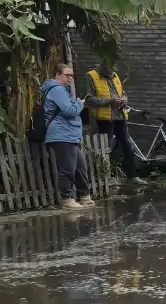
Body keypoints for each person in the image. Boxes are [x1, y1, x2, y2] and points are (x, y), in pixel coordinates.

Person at [41, 63, 92, 210]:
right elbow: (69, 111)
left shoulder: (62, 90)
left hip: (69, 135)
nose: (70, 78)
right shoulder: (57, 89)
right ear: (57, 75)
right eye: (67, 75)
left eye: (71, 75)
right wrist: (79, 104)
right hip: (61, 135)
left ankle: (84, 197)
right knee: (68, 169)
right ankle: (67, 199)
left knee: (80, 166)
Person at [85, 61, 145, 185]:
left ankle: (132, 176)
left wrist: (124, 99)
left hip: (120, 116)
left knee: (128, 147)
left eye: (113, 71)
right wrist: (109, 101)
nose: (112, 74)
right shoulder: (91, 76)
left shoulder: (115, 76)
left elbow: (123, 93)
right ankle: (105, 178)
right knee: (106, 149)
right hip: (105, 119)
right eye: (110, 72)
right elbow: (88, 99)